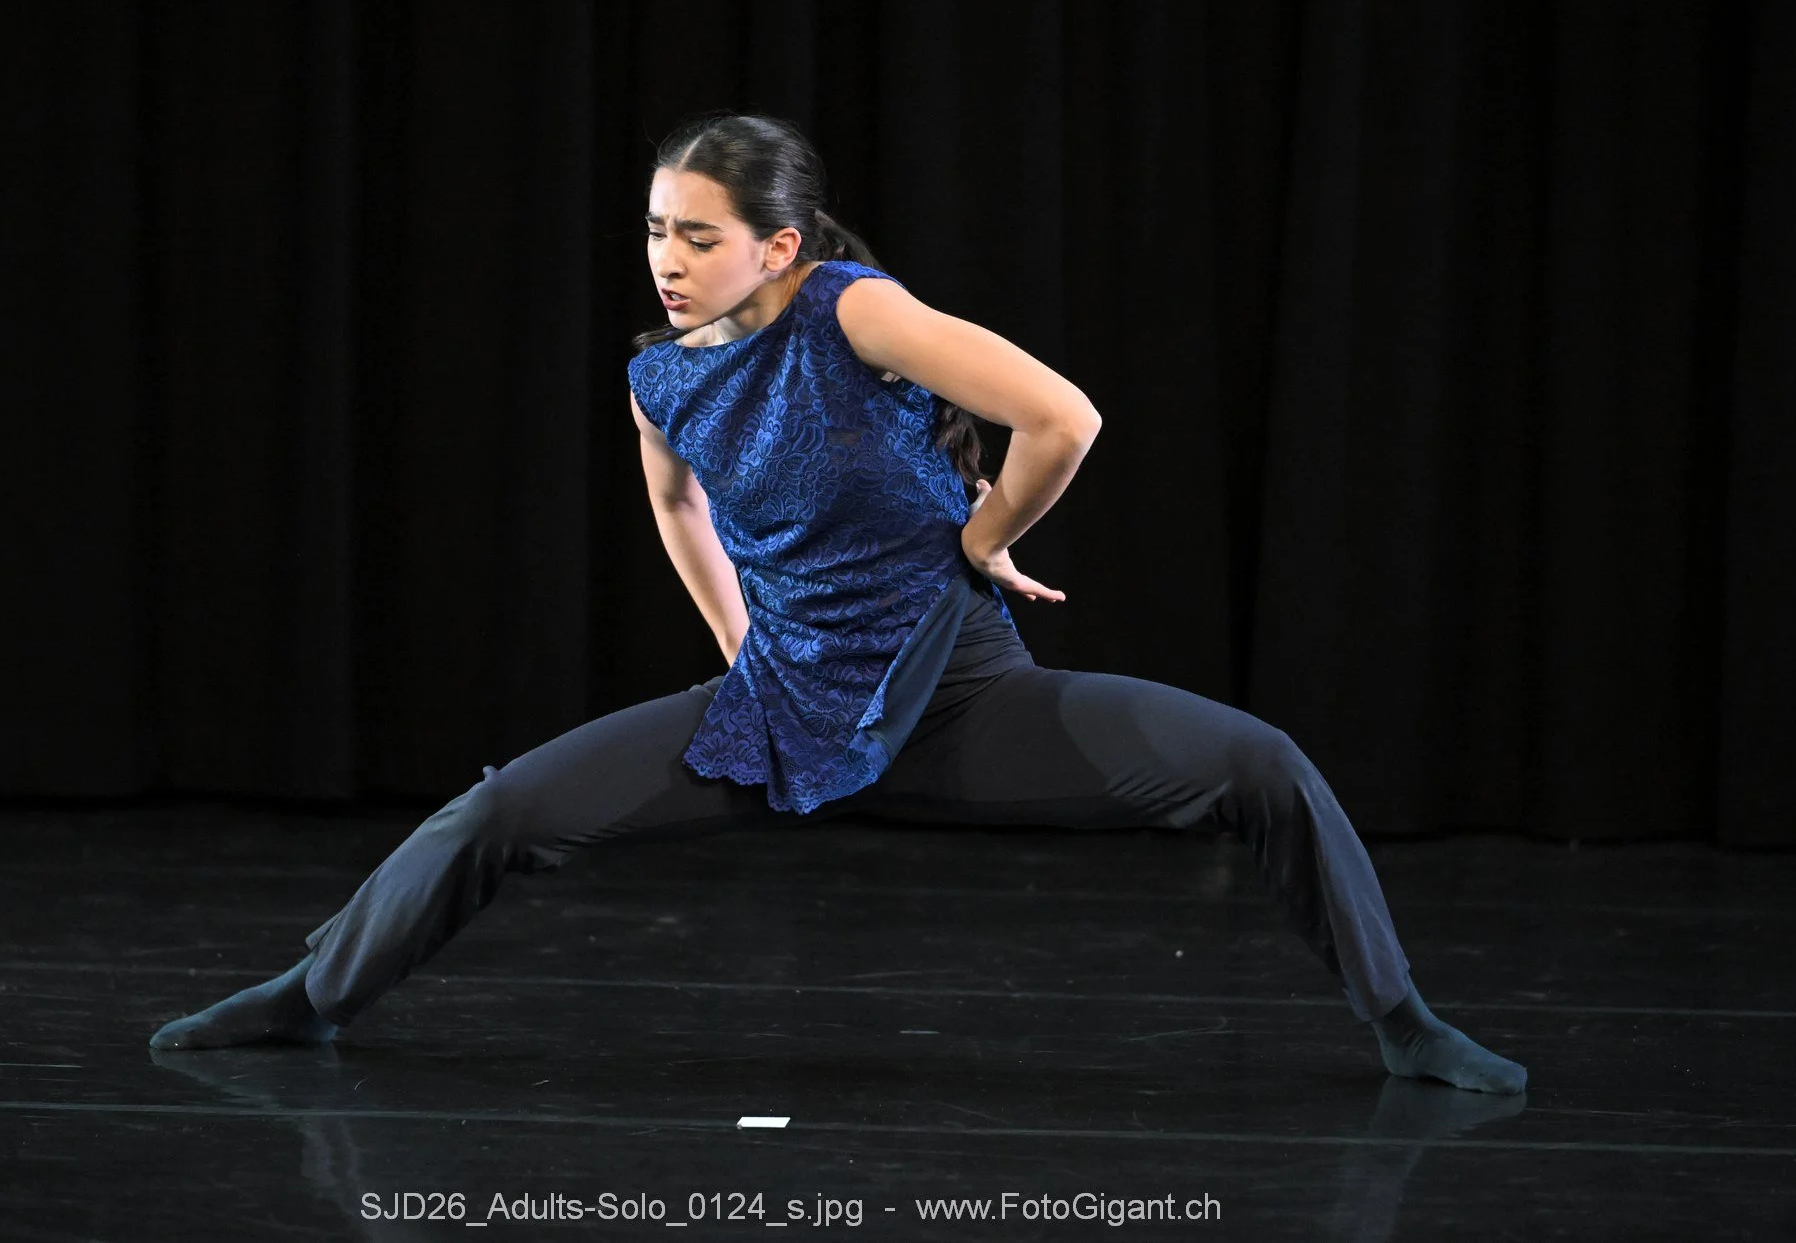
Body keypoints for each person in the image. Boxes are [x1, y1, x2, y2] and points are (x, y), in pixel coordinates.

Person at [149, 113, 1526, 1097]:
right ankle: (310, 998)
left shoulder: (853, 311)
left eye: (699, 236)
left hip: (959, 698)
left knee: (1261, 766)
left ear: (779, 244)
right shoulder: (662, 376)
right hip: (777, 714)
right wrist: (739, 651)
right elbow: (679, 508)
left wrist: (981, 537)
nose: (667, 258)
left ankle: (1402, 1022)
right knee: (496, 813)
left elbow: (1061, 417)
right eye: (655, 231)